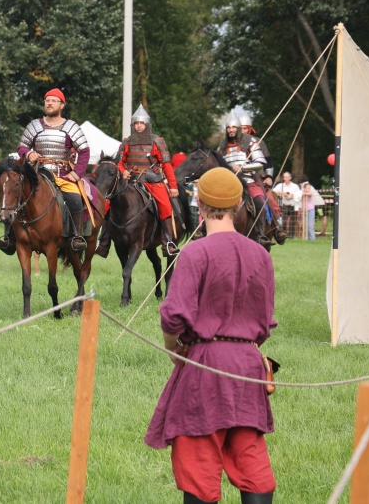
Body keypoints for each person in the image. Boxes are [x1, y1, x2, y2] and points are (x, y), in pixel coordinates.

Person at [145, 167, 277, 504]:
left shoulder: (195, 252)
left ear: (198, 202)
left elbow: (173, 316)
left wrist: (173, 348)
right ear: (237, 204)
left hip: (206, 364)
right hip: (249, 364)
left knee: (199, 463)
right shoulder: (261, 255)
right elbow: (264, 322)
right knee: (251, 459)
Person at [0, 88, 92, 254]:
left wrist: (75, 174)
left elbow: (84, 152)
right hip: (36, 174)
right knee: (15, 196)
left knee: (76, 199)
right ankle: (10, 239)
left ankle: (76, 237)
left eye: (54, 101)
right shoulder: (34, 126)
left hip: (62, 175)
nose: (49, 103)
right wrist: (29, 153)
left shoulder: (71, 127)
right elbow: (22, 146)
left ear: (62, 105)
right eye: (47, 100)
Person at [96, 105, 181, 257]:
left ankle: (167, 243)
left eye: (142, 123)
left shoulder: (157, 141)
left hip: (152, 181)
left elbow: (166, 165)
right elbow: (120, 162)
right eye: (137, 123)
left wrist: (173, 186)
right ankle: (104, 243)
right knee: (108, 205)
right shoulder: (127, 142)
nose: (139, 126)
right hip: (131, 182)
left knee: (165, 206)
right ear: (133, 125)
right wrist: (124, 171)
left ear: (147, 125)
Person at [216, 113, 284, 247]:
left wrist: (268, 176)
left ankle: (264, 233)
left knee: (262, 202)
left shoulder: (254, 142)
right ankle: (204, 230)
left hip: (251, 178)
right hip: (229, 181)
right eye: (229, 128)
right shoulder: (222, 146)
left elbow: (264, 163)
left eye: (235, 127)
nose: (231, 130)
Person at [273, 171, 302, 238]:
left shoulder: (295, 186)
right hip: (284, 205)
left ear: (290, 178)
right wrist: (283, 194)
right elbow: (273, 192)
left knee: (292, 221)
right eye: (284, 177)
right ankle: (284, 234)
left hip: (292, 205)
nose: (285, 178)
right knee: (284, 221)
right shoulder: (280, 185)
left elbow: (299, 194)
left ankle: (291, 235)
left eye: (286, 177)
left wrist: (291, 196)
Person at [297, 176, 321, 240]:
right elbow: (299, 194)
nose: (308, 189)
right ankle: (305, 237)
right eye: (307, 188)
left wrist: (305, 193)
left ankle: (312, 238)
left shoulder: (310, 191)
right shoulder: (301, 191)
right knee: (305, 225)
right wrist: (304, 193)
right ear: (304, 188)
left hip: (310, 209)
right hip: (304, 209)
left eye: (309, 188)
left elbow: (311, 193)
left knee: (310, 225)